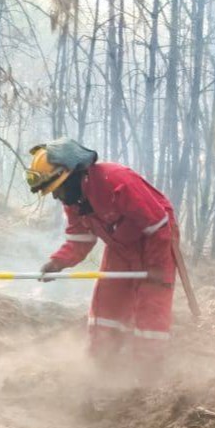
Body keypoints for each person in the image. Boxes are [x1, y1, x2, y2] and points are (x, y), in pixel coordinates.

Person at [26, 139, 178, 361]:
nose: (56, 196)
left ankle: (148, 367)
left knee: (151, 307)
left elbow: (157, 226)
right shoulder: (74, 201)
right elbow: (80, 240)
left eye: (56, 189)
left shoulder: (117, 181)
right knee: (108, 301)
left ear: (71, 176)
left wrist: (156, 267)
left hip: (156, 242)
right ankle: (101, 361)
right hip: (121, 246)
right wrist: (58, 262)